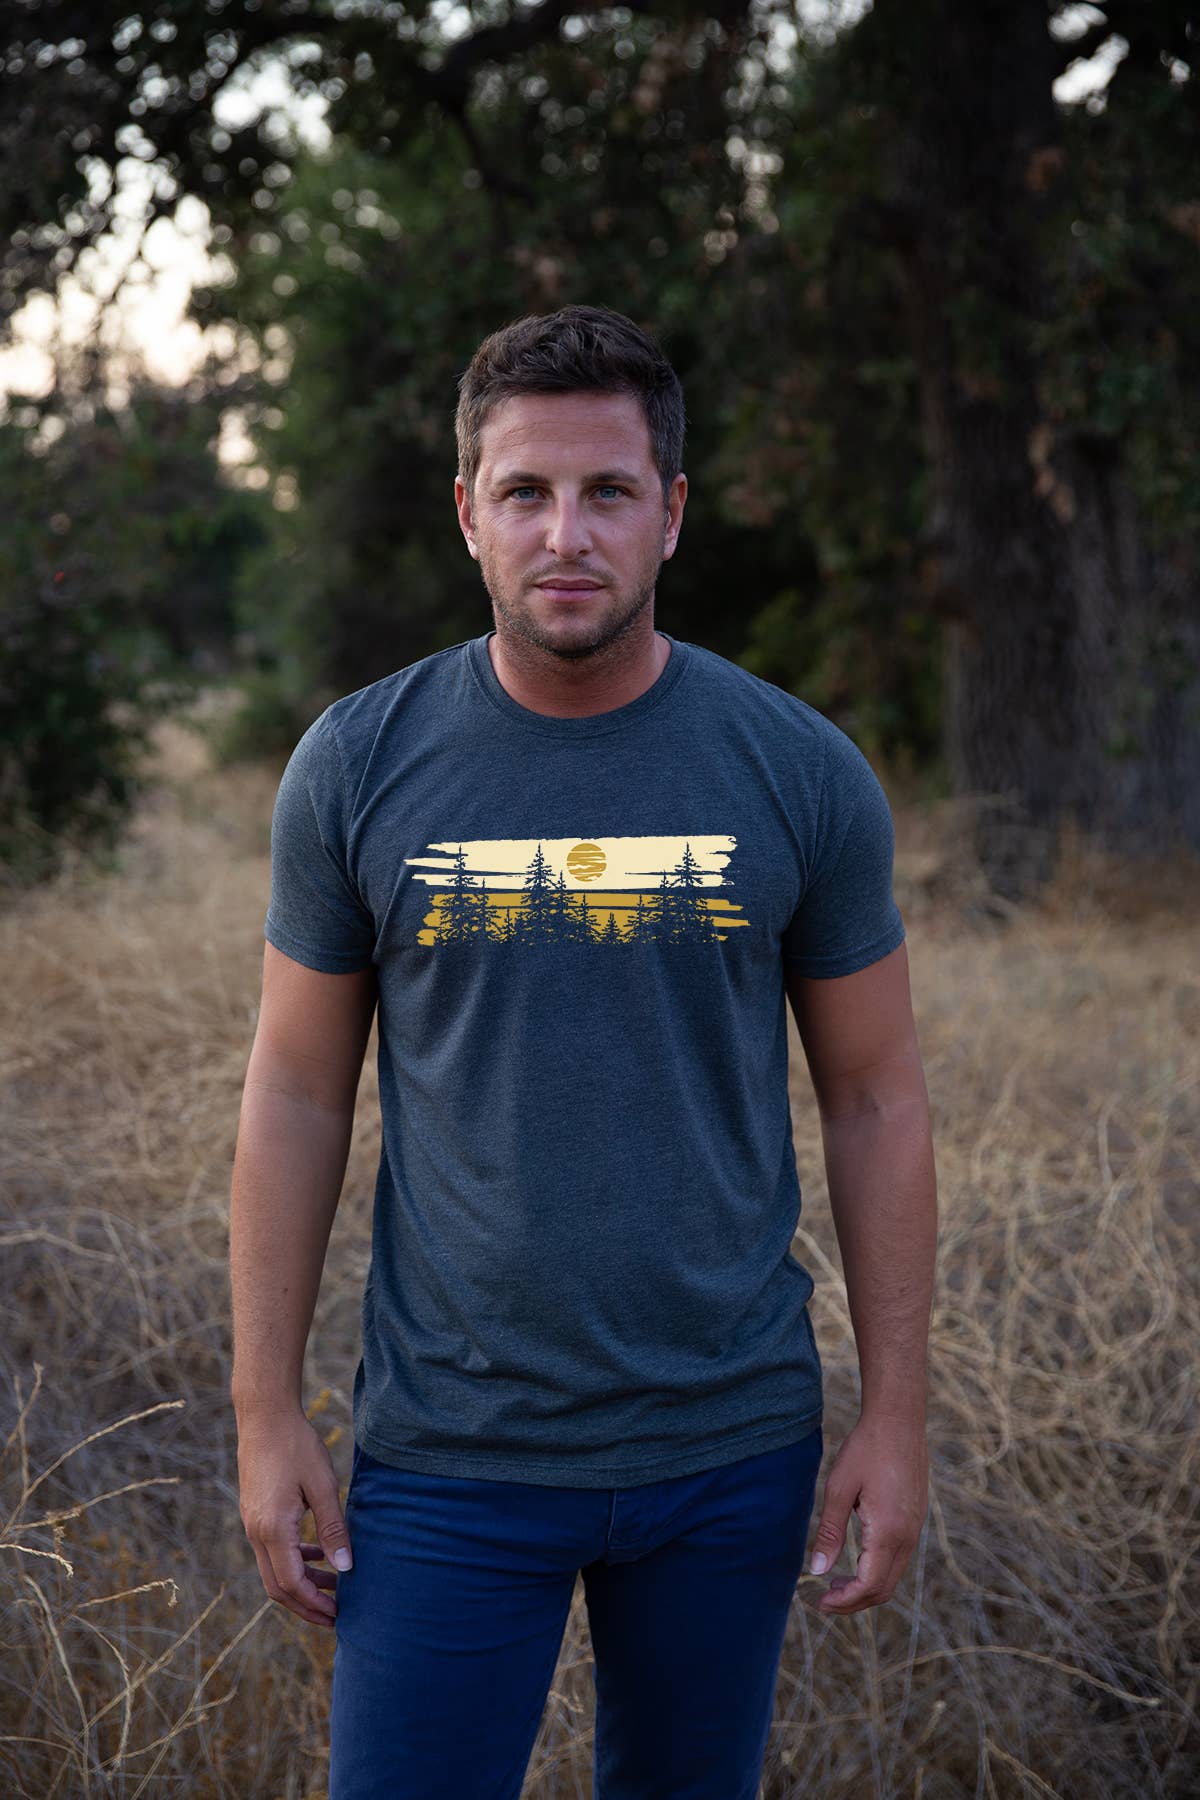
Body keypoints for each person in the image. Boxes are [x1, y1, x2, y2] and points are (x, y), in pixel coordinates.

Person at [230, 303, 938, 1800]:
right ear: (468, 514)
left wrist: (896, 1416)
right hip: (450, 1453)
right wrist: (264, 1411)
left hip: (728, 1448)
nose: (567, 535)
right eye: (527, 493)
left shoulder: (797, 770)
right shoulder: (357, 764)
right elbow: (295, 1093)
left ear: (670, 513)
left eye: (608, 492)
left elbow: (876, 1098)